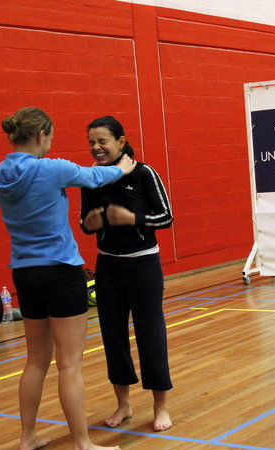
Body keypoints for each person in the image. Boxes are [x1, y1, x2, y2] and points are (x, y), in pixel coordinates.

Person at [0, 107, 137, 450]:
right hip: (59, 271)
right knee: (69, 364)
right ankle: (83, 446)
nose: (50, 144)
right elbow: (94, 176)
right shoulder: (50, 168)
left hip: (24, 273)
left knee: (35, 361)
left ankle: (27, 437)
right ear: (41, 135)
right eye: (51, 137)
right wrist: (122, 168)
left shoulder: (0, 173)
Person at [80, 116, 174, 432]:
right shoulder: (91, 178)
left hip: (143, 265)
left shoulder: (144, 173)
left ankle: (160, 407)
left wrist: (133, 218)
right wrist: (89, 224)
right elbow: (83, 222)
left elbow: (166, 217)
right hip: (108, 267)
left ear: (121, 141)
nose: (96, 147)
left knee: (150, 334)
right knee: (113, 335)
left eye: (102, 141)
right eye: (91, 142)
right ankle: (123, 405)